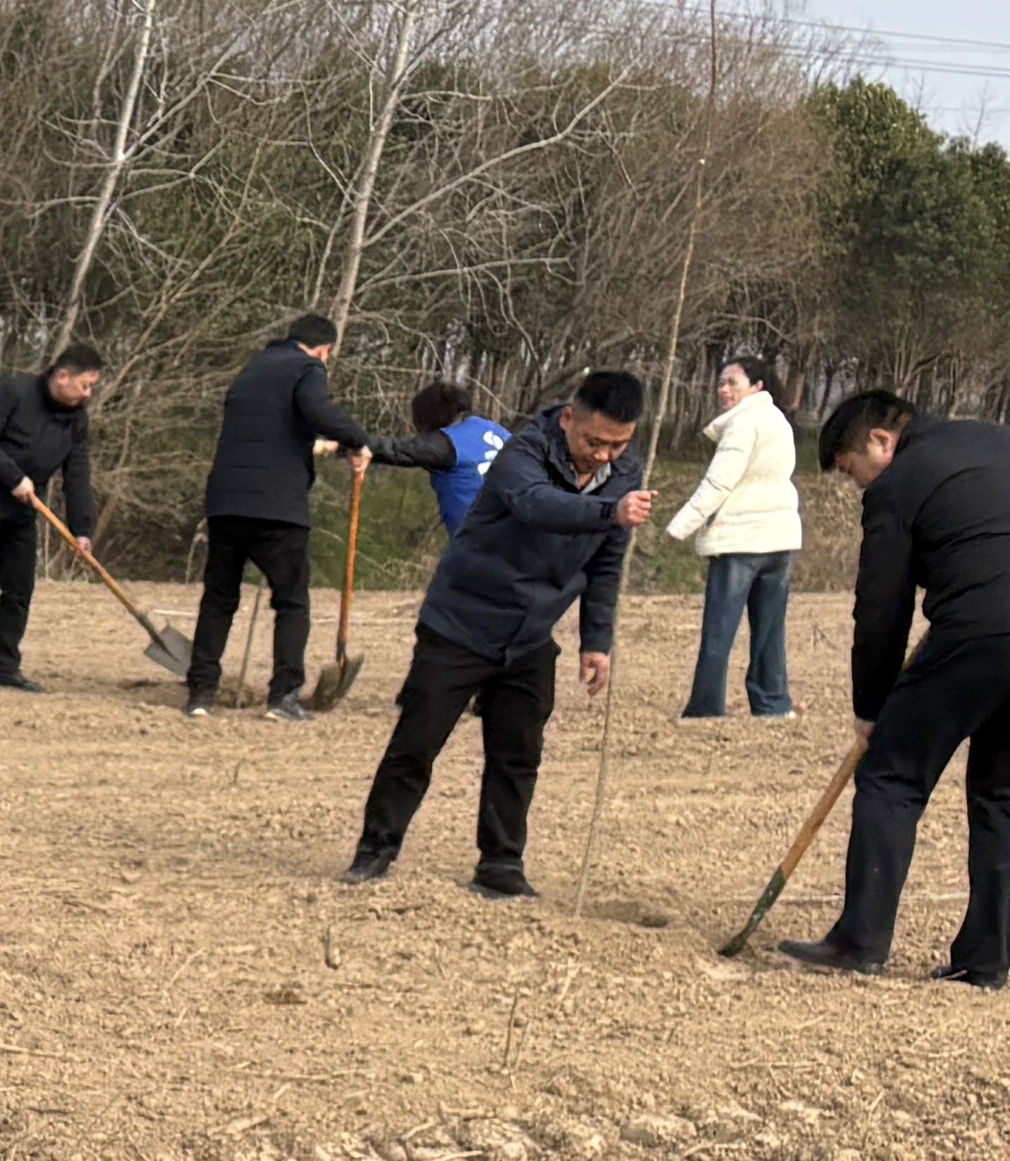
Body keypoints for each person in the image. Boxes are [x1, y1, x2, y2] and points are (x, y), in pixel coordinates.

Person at [343, 369, 651, 900]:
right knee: (416, 744)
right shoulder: (522, 451)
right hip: (462, 619)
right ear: (570, 419)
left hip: (531, 634)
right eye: (594, 442)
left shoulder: (626, 473)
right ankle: (376, 849)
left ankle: (501, 864)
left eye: (618, 445)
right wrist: (609, 510)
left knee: (517, 754)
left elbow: (606, 562)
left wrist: (596, 641)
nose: (604, 455)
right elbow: (536, 505)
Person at [777, 390, 1010, 982]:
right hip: (985, 620)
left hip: (980, 629)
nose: (858, 487)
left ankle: (860, 941)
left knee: (890, 776)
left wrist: (871, 708)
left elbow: (881, 607)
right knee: (1002, 793)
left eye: (854, 473)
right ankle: (988, 960)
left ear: (881, 441)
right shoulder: (993, 440)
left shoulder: (898, 482)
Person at [191, 313, 446, 718]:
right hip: (277, 506)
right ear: (324, 350)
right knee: (292, 601)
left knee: (220, 597)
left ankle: (200, 693)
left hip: (225, 500)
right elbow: (317, 410)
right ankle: (284, 696)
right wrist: (360, 442)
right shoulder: (307, 367)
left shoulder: (252, 368)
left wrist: (321, 444)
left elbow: (276, 427)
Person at [0, 343, 101, 693]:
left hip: (23, 512)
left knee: (19, 588)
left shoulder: (77, 419)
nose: (88, 393)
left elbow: (77, 474)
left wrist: (81, 529)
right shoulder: (15, 392)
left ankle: (3, 667)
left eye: (91, 387)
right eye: (85, 385)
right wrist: (13, 477)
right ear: (63, 376)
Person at [668, 354, 802, 721]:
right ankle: (773, 705)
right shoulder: (779, 421)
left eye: (733, 383)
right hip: (782, 539)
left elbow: (718, 483)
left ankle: (705, 708)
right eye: (721, 383)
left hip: (742, 540)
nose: (723, 390)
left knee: (719, 631)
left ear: (756, 387)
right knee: (770, 631)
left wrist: (679, 527)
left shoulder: (744, 424)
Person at [411, 380, 510, 534]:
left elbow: (399, 451)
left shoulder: (447, 444)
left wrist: (365, 446)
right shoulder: (498, 431)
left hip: (482, 544)